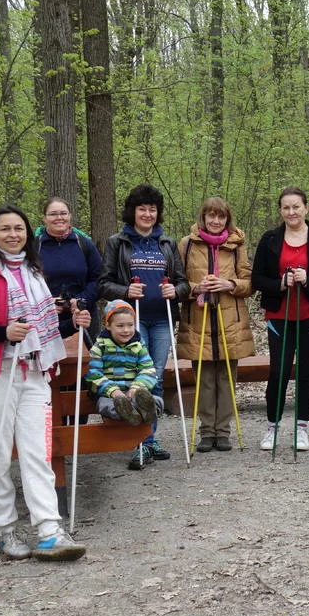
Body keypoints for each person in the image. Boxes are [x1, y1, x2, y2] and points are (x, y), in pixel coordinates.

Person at [0, 205, 91, 561]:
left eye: (19, 228)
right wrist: (2, 332)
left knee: (38, 452)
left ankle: (49, 531)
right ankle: (5, 530)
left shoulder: (35, 271)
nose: (13, 235)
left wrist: (72, 323)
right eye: (6, 229)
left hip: (34, 371)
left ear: (28, 233)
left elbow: (39, 330)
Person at [99, 183, 191, 470]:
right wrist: (126, 291)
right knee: (136, 377)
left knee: (155, 378)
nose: (148, 214)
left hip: (162, 319)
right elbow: (104, 283)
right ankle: (141, 440)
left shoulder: (167, 243)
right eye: (142, 209)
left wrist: (175, 291)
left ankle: (149, 439)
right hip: (131, 321)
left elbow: (183, 282)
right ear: (133, 211)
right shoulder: (118, 242)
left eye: (152, 209)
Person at [251, 187, 309, 452]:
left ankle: (301, 427)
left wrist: (308, 280)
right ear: (281, 211)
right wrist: (281, 282)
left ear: (306, 208)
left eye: (296, 207)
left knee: (307, 371)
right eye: (286, 208)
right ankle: (273, 427)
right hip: (279, 314)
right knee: (278, 371)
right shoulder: (270, 239)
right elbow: (257, 279)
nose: (291, 212)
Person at [176, 197, 255, 453]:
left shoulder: (236, 244)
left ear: (227, 219)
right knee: (204, 378)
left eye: (221, 216)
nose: (216, 220)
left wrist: (229, 284)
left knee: (226, 377)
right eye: (211, 215)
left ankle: (223, 431)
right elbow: (178, 283)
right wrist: (196, 287)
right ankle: (207, 431)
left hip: (230, 320)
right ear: (203, 217)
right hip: (198, 320)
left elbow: (249, 283)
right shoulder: (187, 244)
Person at [86, 300, 162, 426]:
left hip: (135, 392)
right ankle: (131, 415)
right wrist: (113, 391)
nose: (126, 330)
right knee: (105, 405)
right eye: (120, 326)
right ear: (108, 325)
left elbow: (148, 369)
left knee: (157, 400)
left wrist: (137, 387)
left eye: (130, 325)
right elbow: (94, 375)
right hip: (110, 395)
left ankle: (147, 411)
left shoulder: (138, 345)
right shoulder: (100, 347)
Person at [35, 197, 103, 337]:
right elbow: (27, 284)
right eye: (53, 214)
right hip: (46, 318)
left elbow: (99, 279)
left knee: (87, 352)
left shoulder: (84, 244)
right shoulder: (34, 246)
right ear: (44, 218)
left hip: (83, 316)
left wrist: (80, 300)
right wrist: (47, 303)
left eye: (63, 213)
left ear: (70, 216)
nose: (59, 218)